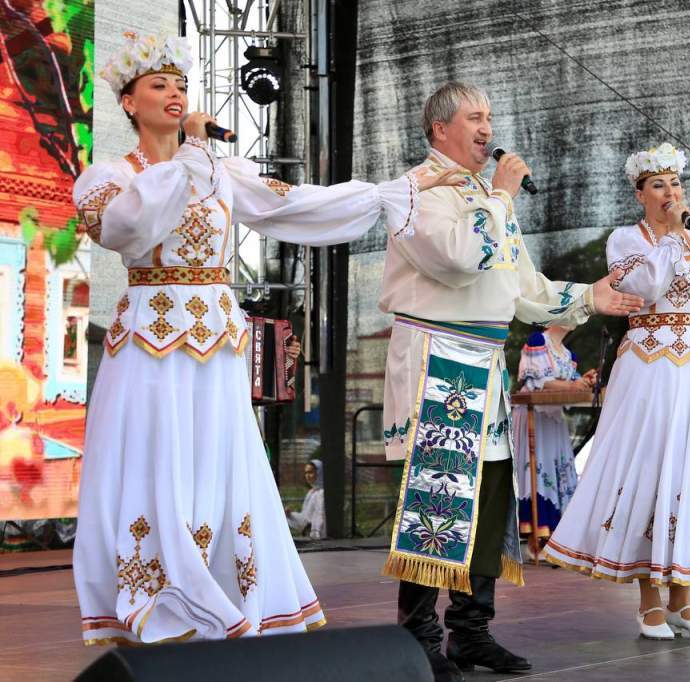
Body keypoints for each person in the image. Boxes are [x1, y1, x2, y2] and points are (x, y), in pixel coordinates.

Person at [72, 32, 459, 646]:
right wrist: (190, 154)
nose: (174, 94)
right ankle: (158, 597)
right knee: (157, 459)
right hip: (150, 338)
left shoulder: (220, 170)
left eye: (180, 85)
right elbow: (129, 226)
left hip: (215, 338)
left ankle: (224, 593)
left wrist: (394, 192)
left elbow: (295, 205)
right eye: (158, 85)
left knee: (218, 461)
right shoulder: (109, 178)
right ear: (127, 101)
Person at [378, 81, 643, 681]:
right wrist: (499, 196)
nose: (488, 129)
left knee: (490, 498)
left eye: (490, 117)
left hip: (485, 361)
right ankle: (418, 638)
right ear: (440, 128)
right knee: (438, 497)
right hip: (438, 356)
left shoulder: (487, 198)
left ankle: (470, 632)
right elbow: (457, 257)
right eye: (475, 117)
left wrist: (590, 297)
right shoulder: (416, 191)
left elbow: (523, 288)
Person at [543, 143, 690, 640]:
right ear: (640, 194)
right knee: (650, 469)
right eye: (658, 185)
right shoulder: (625, 240)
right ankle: (648, 602)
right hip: (646, 367)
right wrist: (673, 236)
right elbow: (646, 288)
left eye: (675, 183)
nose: (670, 192)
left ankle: (682, 600)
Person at [512, 325, 596, 554]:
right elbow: (538, 380)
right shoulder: (538, 341)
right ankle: (536, 539)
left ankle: (554, 540)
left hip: (553, 418)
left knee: (556, 471)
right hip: (534, 415)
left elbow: (571, 382)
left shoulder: (568, 354)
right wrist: (572, 384)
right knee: (538, 471)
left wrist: (584, 381)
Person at [286, 460, 325, 540]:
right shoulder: (312, 492)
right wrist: (289, 515)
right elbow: (305, 519)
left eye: (310, 472)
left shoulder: (322, 493)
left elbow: (320, 519)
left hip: (320, 540)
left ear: (319, 473)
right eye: (306, 473)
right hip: (313, 539)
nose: (307, 476)